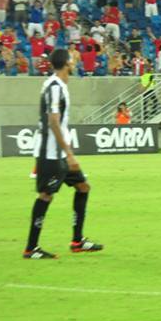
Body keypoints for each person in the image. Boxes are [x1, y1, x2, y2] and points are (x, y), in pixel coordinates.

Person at [23, 48, 103, 259]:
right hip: (50, 153)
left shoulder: (60, 86)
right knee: (46, 195)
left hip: (59, 152)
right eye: (72, 58)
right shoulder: (55, 87)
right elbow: (53, 121)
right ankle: (31, 248)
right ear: (66, 63)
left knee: (83, 187)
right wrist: (69, 153)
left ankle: (77, 241)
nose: (75, 60)